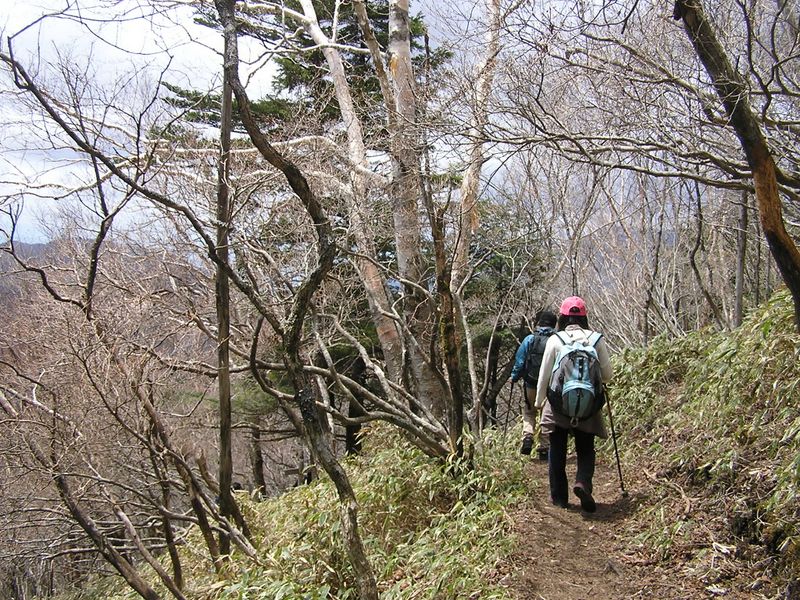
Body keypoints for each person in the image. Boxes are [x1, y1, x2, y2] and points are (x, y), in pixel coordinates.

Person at [534, 296, 613, 512]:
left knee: (557, 449)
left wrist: (540, 402)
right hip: (588, 406)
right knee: (586, 447)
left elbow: (544, 374)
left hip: (558, 404)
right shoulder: (596, 339)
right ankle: (583, 482)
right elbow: (607, 376)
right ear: (584, 317)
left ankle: (559, 497)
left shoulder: (556, 339)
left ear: (562, 316)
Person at [510, 310, 557, 460]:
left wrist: (514, 377)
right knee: (546, 414)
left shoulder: (530, 339)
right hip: (549, 386)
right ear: (554, 324)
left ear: (539, 323)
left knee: (529, 411)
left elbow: (520, 361)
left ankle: (528, 437)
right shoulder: (556, 340)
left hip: (531, 383)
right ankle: (544, 447)